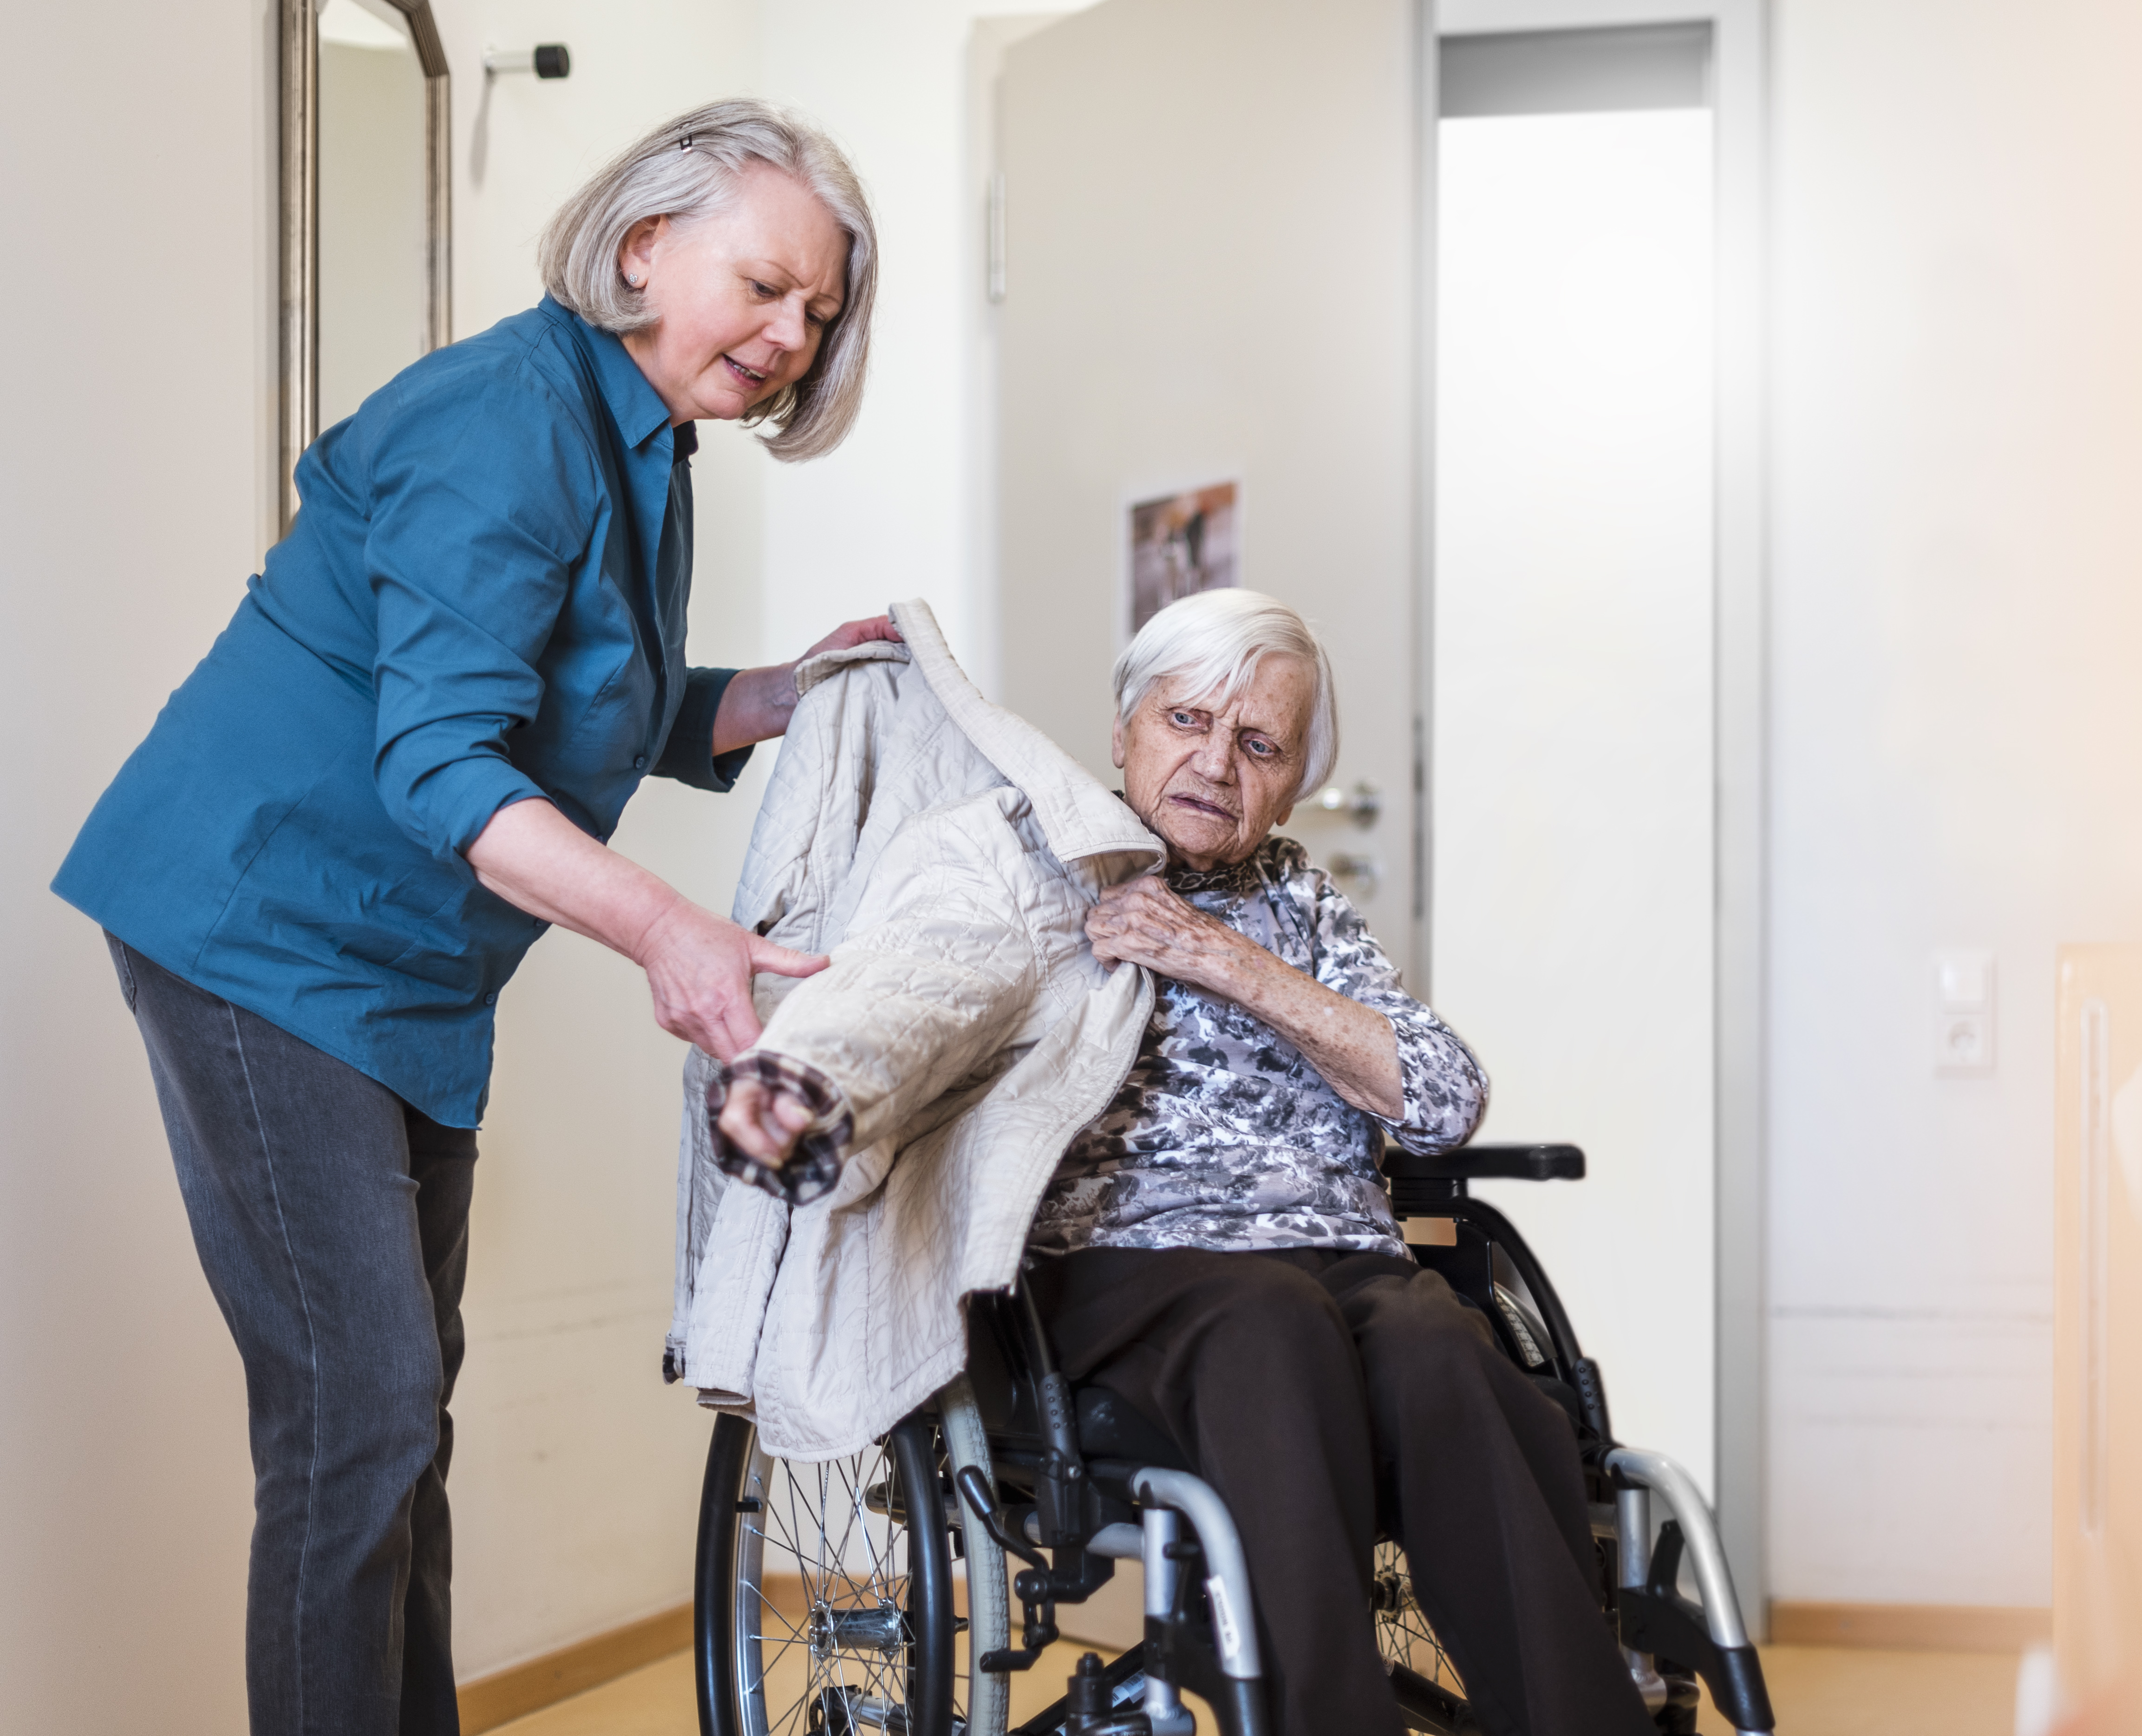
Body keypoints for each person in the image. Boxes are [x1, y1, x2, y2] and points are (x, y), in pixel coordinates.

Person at [52, 99, 896, 1736]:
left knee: (395, 1415)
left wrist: (779, 693)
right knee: (357, 1412)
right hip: (261, 922)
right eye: (766, 284)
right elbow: (441, 750)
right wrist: (669, 930)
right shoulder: (510, 417)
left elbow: (597, 694)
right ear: (646, 247)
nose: (791, 335)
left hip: (402, 966)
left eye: (819, 312)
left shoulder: (640, 440)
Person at [718, 589, 1655, 1736]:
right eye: (1185, 722)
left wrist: (1218, 958)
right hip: (1106, 1269)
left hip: (1333, 1257)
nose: (1216, 762)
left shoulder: (1299, 896)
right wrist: (807, 1080)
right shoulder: (1031, 852)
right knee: (1264, 1318)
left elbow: (1443, 1096)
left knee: (1437, 1342)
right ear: (1122, 731)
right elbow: (914, 991)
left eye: (1259, 743)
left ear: (1294, 778)